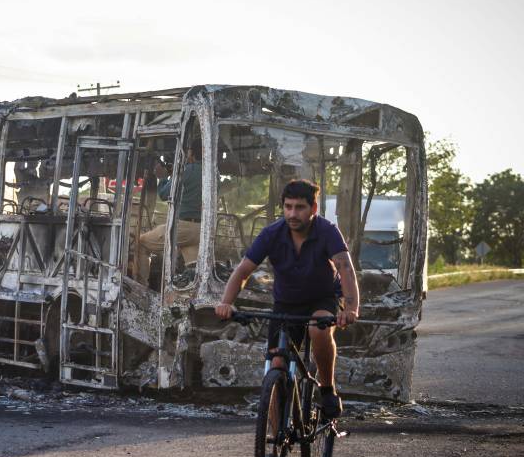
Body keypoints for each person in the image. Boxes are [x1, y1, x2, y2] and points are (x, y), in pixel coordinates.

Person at [215, 179, 359, 419]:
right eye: (288, 206)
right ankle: (273, 442)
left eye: (300, 207)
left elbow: (345, 268)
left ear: (313, 209)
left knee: (318, 329)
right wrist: (226, 302)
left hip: (322, 298)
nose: (293, 213)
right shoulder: (272, 233)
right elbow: (242, 271)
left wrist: (351, 309)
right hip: (285, 303)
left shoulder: (327, 231)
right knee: (276, 364)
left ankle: (326, 389)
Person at [136, 142, 202, 284]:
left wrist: (163, 177)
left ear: (191, 153)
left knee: (141, 242)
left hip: (183, 227)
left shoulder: (187, 170)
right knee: (194, 269)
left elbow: (165, 194)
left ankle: (141, 287)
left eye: (188, 152)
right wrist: (174, 174)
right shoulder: (213, 172)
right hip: (201, 230)